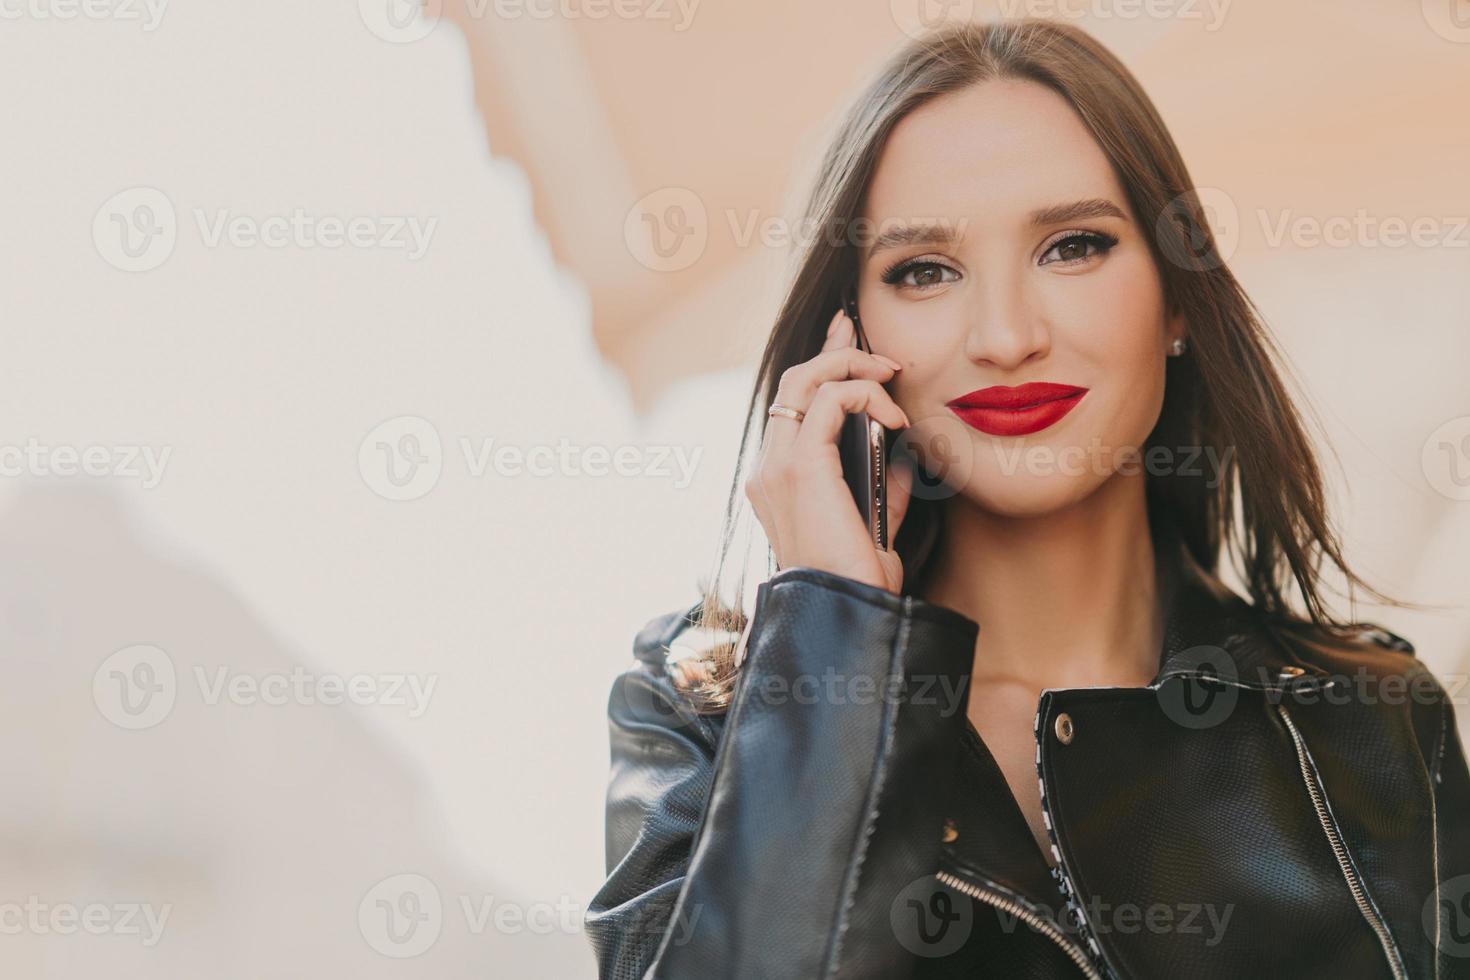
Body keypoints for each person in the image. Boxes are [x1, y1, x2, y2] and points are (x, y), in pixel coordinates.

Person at [583, 19, 1470, 979]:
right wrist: (835, 651)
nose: (1006, 336)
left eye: (1074, 245)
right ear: (847, 336)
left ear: (1178, 298)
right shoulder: (700, 722)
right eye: (924, 270)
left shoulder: (1369, 716)